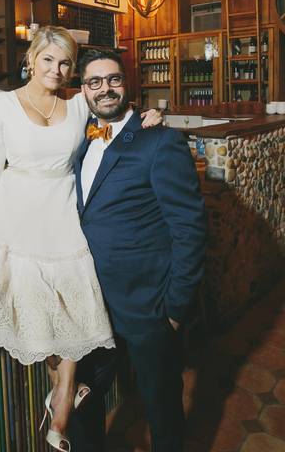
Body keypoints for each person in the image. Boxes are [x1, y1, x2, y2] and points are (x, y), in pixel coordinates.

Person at [0, 26, 162, 451]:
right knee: (31, 300)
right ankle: (66, 395)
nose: (57, 69)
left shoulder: (79, 103)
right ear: (31, 59)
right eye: (49, 59)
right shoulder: (2, 105)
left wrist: (149, 118)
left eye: (65, 63)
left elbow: (116, 113)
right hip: (14, 209)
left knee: (73, 299)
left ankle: (62, 396)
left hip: (61, 210)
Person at [69, 49, 206, 452]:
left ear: (126, 84)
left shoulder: (159, 141)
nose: (105, 89)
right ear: (83, 90)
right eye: (95, 82)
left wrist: (176, 308)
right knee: (85, 400)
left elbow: (190, 228)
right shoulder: (77, 140)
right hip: (91, 300)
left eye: (113, 79)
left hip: (149, 304)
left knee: (161, 408)